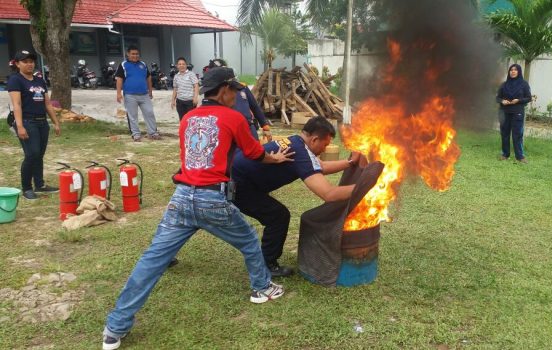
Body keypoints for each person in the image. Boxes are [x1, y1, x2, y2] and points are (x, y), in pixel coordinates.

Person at [102, 67, 294, 350]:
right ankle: (262, 288)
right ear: (225, 90)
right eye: (236, 90)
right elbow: (254, 154)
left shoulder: (189, 118)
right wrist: (274, 159)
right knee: (250, 240)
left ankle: (114, 328)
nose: (238, 95)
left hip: (180, 198)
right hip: (212, 199)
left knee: (151, 261)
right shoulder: (234, 117)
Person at [231, 116, 360, 277]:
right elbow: (329, 194)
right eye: (325, 144)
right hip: (238, 186)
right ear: (314, 139)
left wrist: (350, 162)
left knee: (276, 214)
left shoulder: (295, 141)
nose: (325, 149)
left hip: (238, 179)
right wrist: (367, 186)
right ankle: (267, 265)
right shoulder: (301, 153)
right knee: (278, 216)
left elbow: (321, 166)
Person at [7, 49, 61, 200]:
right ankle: (27, 188)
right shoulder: (15, 80)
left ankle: (40, 184)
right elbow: (16, 104)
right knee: (31, 154)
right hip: (27, 121)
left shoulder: (39, 80)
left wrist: (56, 122)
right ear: (17, 64)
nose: (29, 64)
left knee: (39, 155)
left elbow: (48, 104)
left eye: (31, 61)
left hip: (42, 123)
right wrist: (20, 126)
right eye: (25, 61)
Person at [209, 58, 271, 141]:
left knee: (256, 152)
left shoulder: (242, 87)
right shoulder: (211, 92)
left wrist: (265, 126)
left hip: (249, 127)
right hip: (228, 130)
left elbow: (255, 106)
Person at [115, 45, 160, 142]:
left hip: (144, 94)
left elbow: (148, 78)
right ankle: (135, 134)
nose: (135, 56)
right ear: (128, 54)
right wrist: (119, 93)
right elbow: (119, 79)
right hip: (130, 95)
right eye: (133, 54)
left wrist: (150, 91)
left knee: (149, 113)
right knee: (132, 115)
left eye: (137, 54)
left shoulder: (143, 64)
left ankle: (153, 133)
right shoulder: (123, 65)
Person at [496, 63, 532, 163]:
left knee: (517, 134)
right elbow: (497, 98)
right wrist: (502, 101)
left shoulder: (524, 84)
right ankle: (505, 154)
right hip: (504, 112)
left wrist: (518, 100)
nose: (513, 71)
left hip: (517, 112)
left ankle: (520, 156)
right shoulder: (504, 85)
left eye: (515, 70)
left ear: (519, 72)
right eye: (511, 70)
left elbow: (529, 98)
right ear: (509, 72)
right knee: (505, 133)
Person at [170, 57, 199, 121]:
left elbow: (196, 86)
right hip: (180, 102)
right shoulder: (176, 76)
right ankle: (183, 131)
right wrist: (173, 100)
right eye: (179, 64)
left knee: (191, 120)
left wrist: (195, 98)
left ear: (186, 65)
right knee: (182, 120)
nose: (181, 65)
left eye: (183, 64)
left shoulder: (191, 74)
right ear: (177, 66)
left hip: (190, 102)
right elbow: (175, 89)